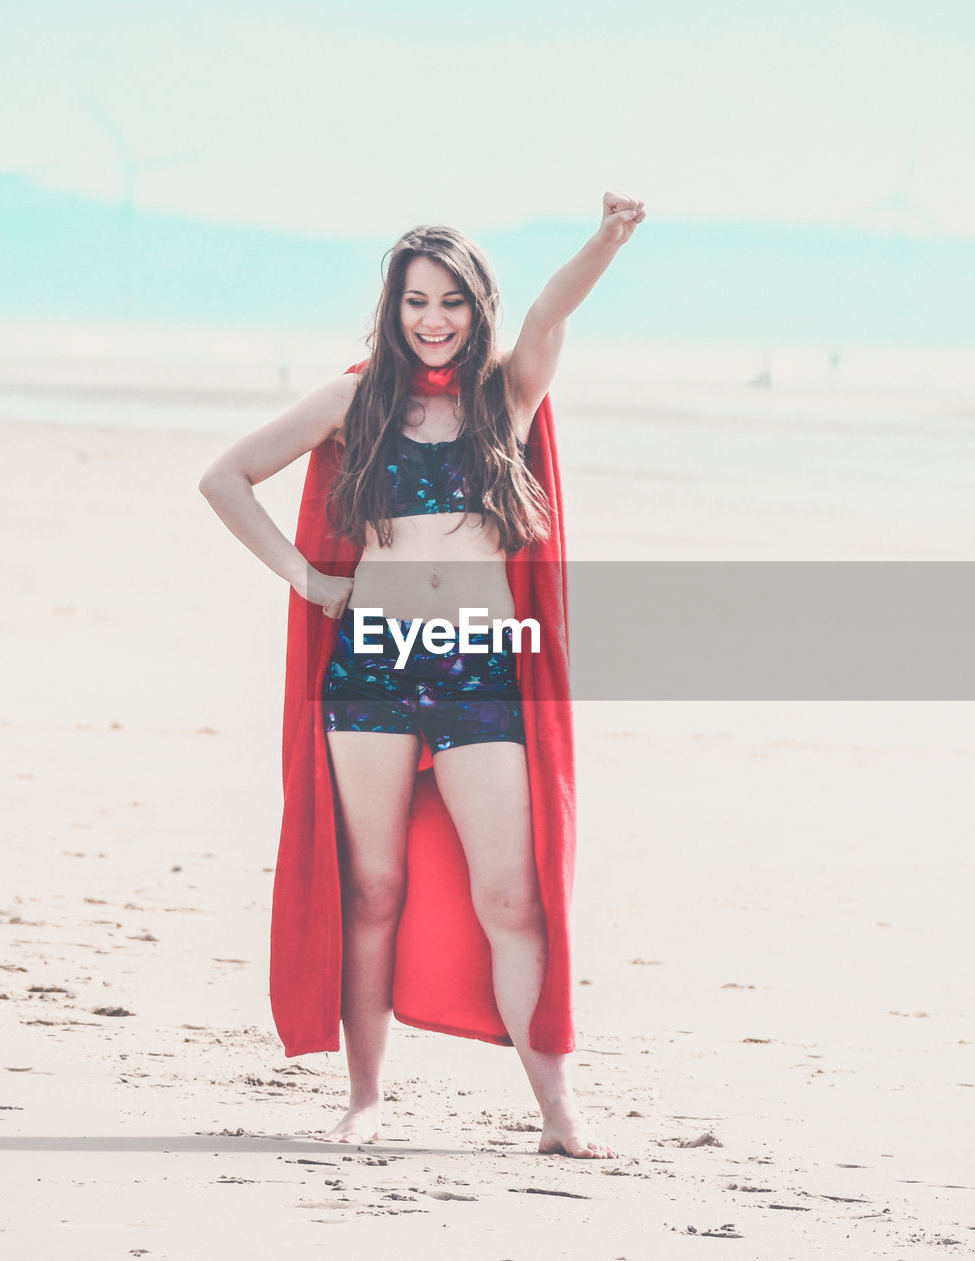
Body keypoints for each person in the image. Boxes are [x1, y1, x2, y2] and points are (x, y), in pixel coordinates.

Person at [199, 191, 645, 1159]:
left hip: (477, 666)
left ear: (474, 306)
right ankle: (362, 1100)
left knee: (511, 896)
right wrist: (304, 576)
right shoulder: (353, 399)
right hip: (371, 667)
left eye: (449, 302)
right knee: (371, 887)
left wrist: (604, 239)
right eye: (414, 302)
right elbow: (225, 478)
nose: (431, 319)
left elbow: (550, 314)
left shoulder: (505, 393)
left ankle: (558, 1112)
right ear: (391, 309)